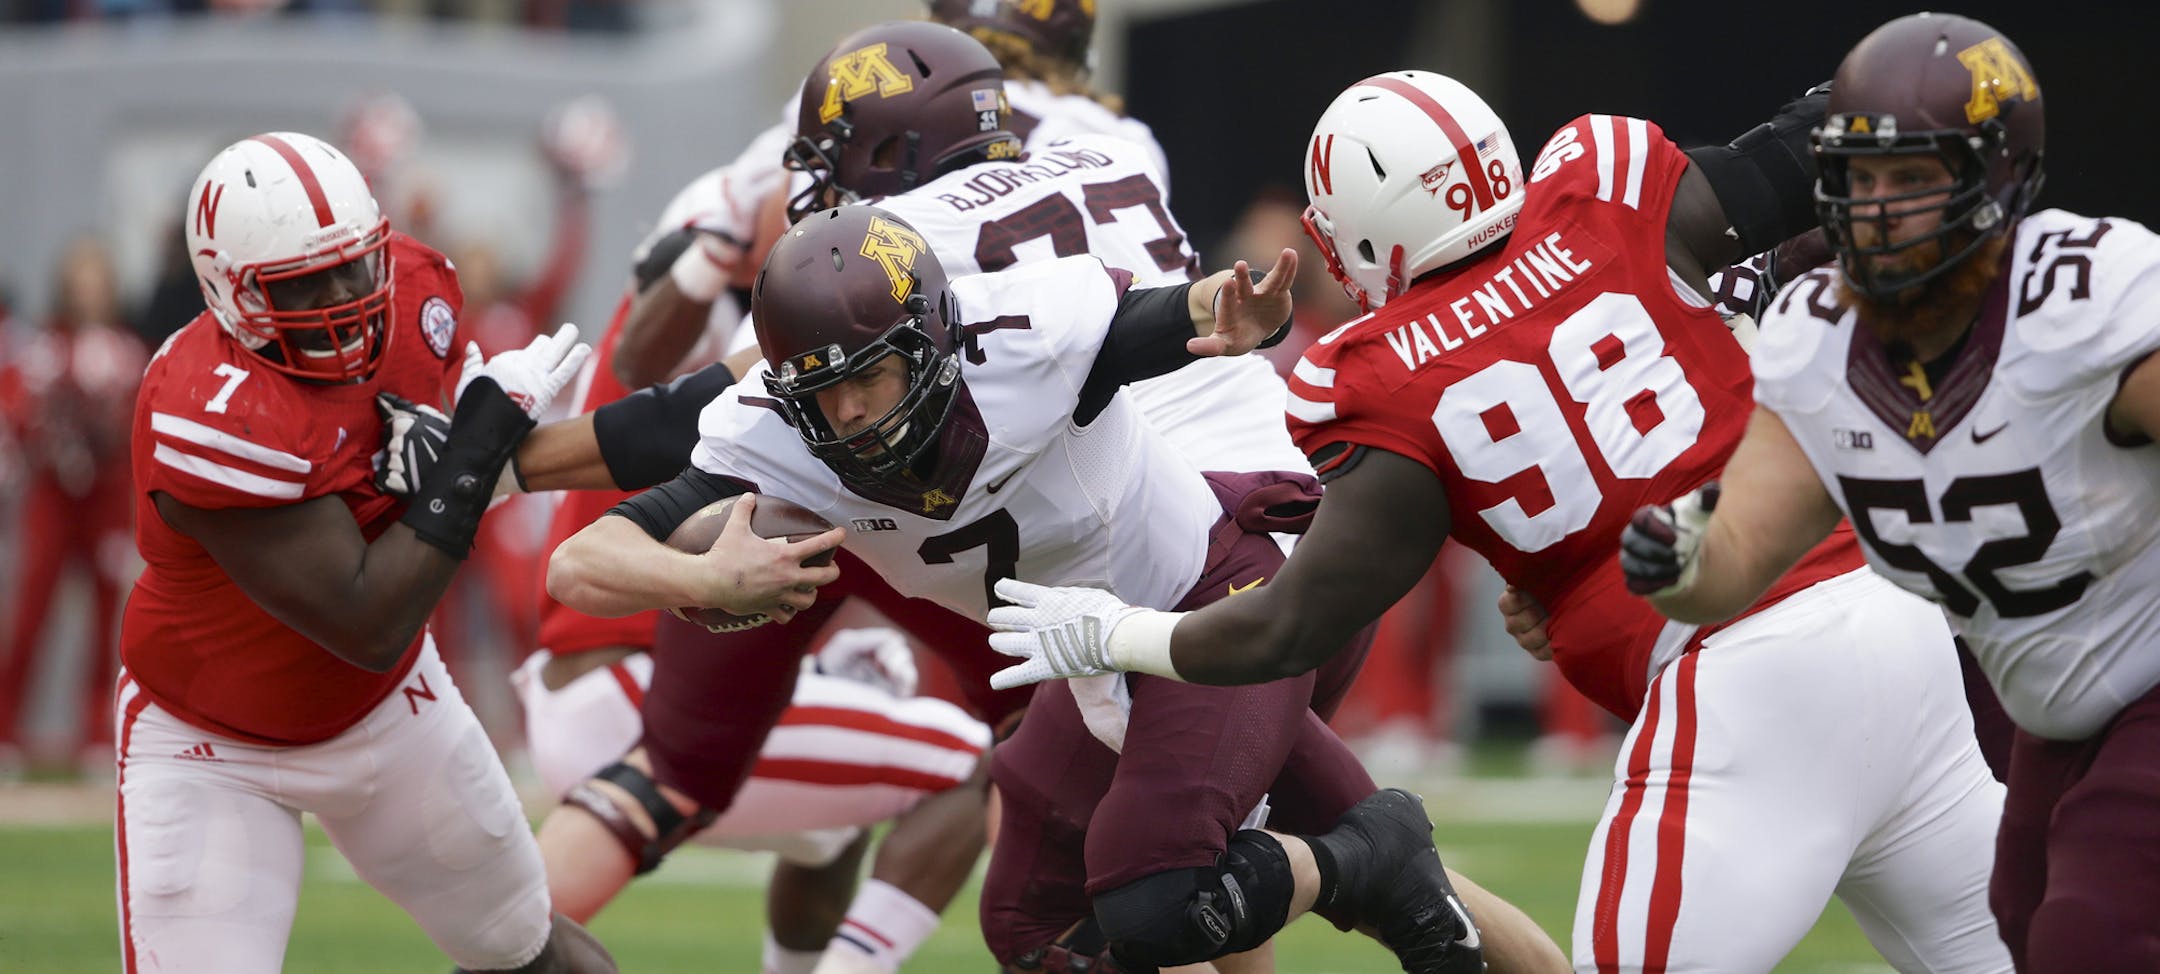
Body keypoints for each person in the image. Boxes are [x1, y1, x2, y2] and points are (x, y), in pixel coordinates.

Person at [983, 70, 2013, 973]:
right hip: (1888, 623)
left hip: (1746, 675)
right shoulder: (1605, 192)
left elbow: (1287, 624)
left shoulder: (1377, 369)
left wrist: (1113, 630)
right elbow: (1802, 148)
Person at [546, 203, 1499, 974]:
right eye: (815, 392)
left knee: (1155, 896)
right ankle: (1381, 860)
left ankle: (1361, 862)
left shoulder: (1030, 337)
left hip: (1203, 605)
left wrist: (1233, 313)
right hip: (1081, 661)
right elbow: (580, 562)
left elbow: (1179, 314)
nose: (845, 416)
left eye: (867, 380)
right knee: (1029, 929)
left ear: (929, 341)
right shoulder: (771, 431)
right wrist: (698, 572)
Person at [1618, 13, 2159, 972]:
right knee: (2022, 931)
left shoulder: (2084, 301)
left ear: (1999, 180)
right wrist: (1677, 566)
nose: (1876, 209)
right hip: (2053, 709)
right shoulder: (1818, 338)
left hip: (2144, 674)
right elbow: (1738, 554)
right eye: (1860, 179)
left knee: (2093, 938)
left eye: (1911, 179)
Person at [110, 131, 709, 973]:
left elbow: (460, 458)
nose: (346, 296)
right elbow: (369, 617)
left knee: (529, 952)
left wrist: (473, 437)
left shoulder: (416, 285)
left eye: (355, 265)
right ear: (229, 290)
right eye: (306, 282)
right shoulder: (207, 410)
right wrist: (475, 447)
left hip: (388, 713)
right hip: (214, 745)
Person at [0, 236, 144, 776]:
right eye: (80, 278)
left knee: (109, 621)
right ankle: (6, 732)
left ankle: (98, 737)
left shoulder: (130, 353)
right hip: (52, 499)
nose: (88, 289)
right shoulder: (42, 351)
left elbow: (141, 429)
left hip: (107, 501)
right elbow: (17, 414)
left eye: (97, 277)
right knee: (31, 613)